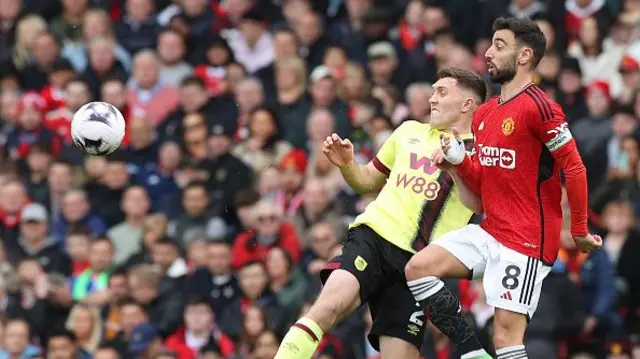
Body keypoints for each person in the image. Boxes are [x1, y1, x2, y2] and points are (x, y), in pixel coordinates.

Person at [407, 17, 603, 359]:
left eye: (499, 46)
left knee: (506, 339)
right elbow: (484, 190)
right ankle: (471, 352)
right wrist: (459, 159)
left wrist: (581, 229)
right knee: (417, 268)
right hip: (491, 230)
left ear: (525, 55)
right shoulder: (485, 114)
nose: (487, 53)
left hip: (526, 242)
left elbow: (574, 167)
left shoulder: (541, 107)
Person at [274, 68, 491, 359]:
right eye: (432, 91)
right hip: (373, 239)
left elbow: (480, 204)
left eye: (442, 92)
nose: (432, 99)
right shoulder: (408, 132)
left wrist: (457, 165)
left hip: (418, 268)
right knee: (327, 308)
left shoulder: (481, 153)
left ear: (467, 104)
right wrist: (347, 165)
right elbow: (367, 180)